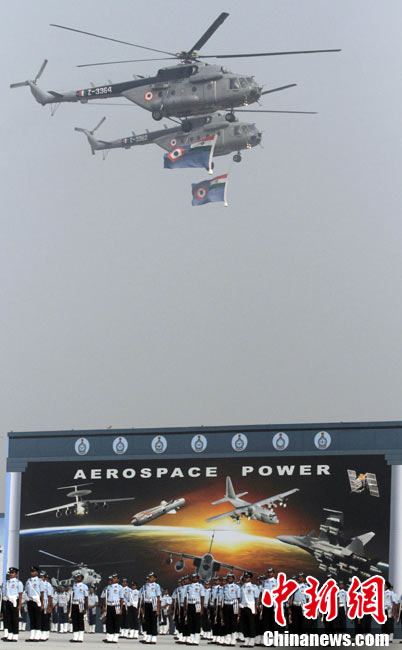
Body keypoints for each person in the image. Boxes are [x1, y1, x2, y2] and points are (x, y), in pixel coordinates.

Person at [140, 572, 161, 645]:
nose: (149, 578)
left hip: (153, 603)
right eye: (149, 577)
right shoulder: (145, 586)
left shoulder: (157, 586)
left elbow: (158, 598)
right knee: (147, 620)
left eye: (151, 577)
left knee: (153, 621)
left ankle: (154, 636)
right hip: (147, 603)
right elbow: (143, 596)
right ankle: (148, 636)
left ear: (155, 578)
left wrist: (158, 609)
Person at [102, 573, 124, 644]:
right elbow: (105, 597)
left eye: (114, 578)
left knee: (116, 621)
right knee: (109, 621)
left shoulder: (120, 587)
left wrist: (121, 609)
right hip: (109, 605)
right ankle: (110, 636)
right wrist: (104, 606)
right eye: (112, 578)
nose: (113, 579)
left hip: (116, 605)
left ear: (118, 579)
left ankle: (115, 636)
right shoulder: (108, 587)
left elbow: (121, 599)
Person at [239, 573, 259, 648]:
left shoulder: (254, 587)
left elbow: (256, 598)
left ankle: (252, 640)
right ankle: (246, 640)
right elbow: (240, 598)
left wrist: (255, 609)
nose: (245, 579)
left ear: (250, 578)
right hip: (243, 607)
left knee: (251, 624)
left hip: (251, 607)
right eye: (245, 577)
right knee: (244, 624)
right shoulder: (242, 587)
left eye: (247, 577)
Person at [184, 573, 205, 645]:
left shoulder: (200, 586)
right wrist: (185, 609)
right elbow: (185, 597)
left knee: (197, 622)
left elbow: (202, 597)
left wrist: (202, 609)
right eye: (193, 578)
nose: (194, 579)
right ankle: (191, 638)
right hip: (190, 604)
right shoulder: (188, 587)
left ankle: (196, 639)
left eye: (195, 578)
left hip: (197, 605)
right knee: (190, 621)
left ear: (198, 579)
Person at [4, 567, 23, 643]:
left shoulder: (18, 583)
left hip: (15, 601)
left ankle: (15, 635)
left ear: (16, 574)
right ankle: (10, 633)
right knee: (8, 619)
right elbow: (5, 593)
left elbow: (20, 594)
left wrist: (20, 604)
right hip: (8, 601)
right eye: (10, 573)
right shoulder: (7, 583)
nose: (11, 574)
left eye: (13, 573)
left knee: (15, 619)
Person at [25, 566, 43, 642]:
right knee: (32, 618)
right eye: (31, 571)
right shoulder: (28, 581)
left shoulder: (40, 581)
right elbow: (26, 591)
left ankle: (37, 635)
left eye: (34, 571)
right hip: (30, 600)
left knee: (37, 618)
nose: (32, 573)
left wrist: (42, 604)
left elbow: (42, 593)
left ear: (37, 572)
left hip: (37, 601)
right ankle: (32, 635)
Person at [221, 573, 240, 646]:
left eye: (230, 578)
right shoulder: (224, 587)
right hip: (226, 604)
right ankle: (228, 639)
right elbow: (223, 597)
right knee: (227, 622)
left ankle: (233, 640)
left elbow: (238, 599)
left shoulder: (236, 587)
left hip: (233, 605)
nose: (229, 579)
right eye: (228, 578)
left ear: (233, 579)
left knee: (233, 622)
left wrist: (239, 610)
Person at [69, 573, 88, 643]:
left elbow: (86, 598)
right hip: (74, 603)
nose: (76, 579)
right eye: (76, 577)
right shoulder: (73, 586)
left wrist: (85, 608)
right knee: (74, 620)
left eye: (78, 577)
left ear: (82, 579)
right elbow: (71, 596)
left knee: (80, 620)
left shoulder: (84, 586)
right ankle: (75, 636)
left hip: (81, 604)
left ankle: (80, 637)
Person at [260, 568, 277, 638]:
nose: (269, 574)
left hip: (274, 603)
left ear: (274, 573)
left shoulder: (276, 582)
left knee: (273, 620)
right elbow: (262, 592)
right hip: (266, 603)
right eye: (268, 572)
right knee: (265, 620)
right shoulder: (264, 582)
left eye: (271, 572)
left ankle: (273, 637)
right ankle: (266, 637)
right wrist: (260, 603)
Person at [39, 572, 53, 641]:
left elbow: (50, 596)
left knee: (45, 619)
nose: (40, 578)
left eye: (42, 577)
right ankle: (42, 633)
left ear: (45, 578)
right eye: (40, 577)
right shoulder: (38, 584)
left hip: (45, 601)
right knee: (40, 619)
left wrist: (49, 606)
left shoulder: (48, 585)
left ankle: (45, 633)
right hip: (39, 602)